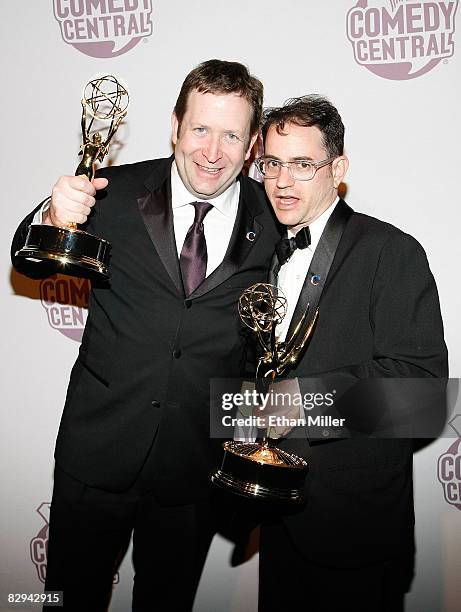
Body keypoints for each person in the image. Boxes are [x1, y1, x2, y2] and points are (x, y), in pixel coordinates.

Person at [11, 59, 280, 611]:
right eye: (200, 129)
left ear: (253, 144)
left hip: (195, 469)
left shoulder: (274, 220)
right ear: (175, 125)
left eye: (231, 135)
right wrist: (52, 214)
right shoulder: (114, 192)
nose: (212, 151)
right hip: (98, 453)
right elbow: (29, 261)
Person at [253, 95, 448, 612]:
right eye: (271, 163)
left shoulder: (390, 251)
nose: (282, 181)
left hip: (352, 530)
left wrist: (305, 402)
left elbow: (423, 392)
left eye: (302, 164)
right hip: (275, 516)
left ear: (337, 169)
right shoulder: (262, 255)